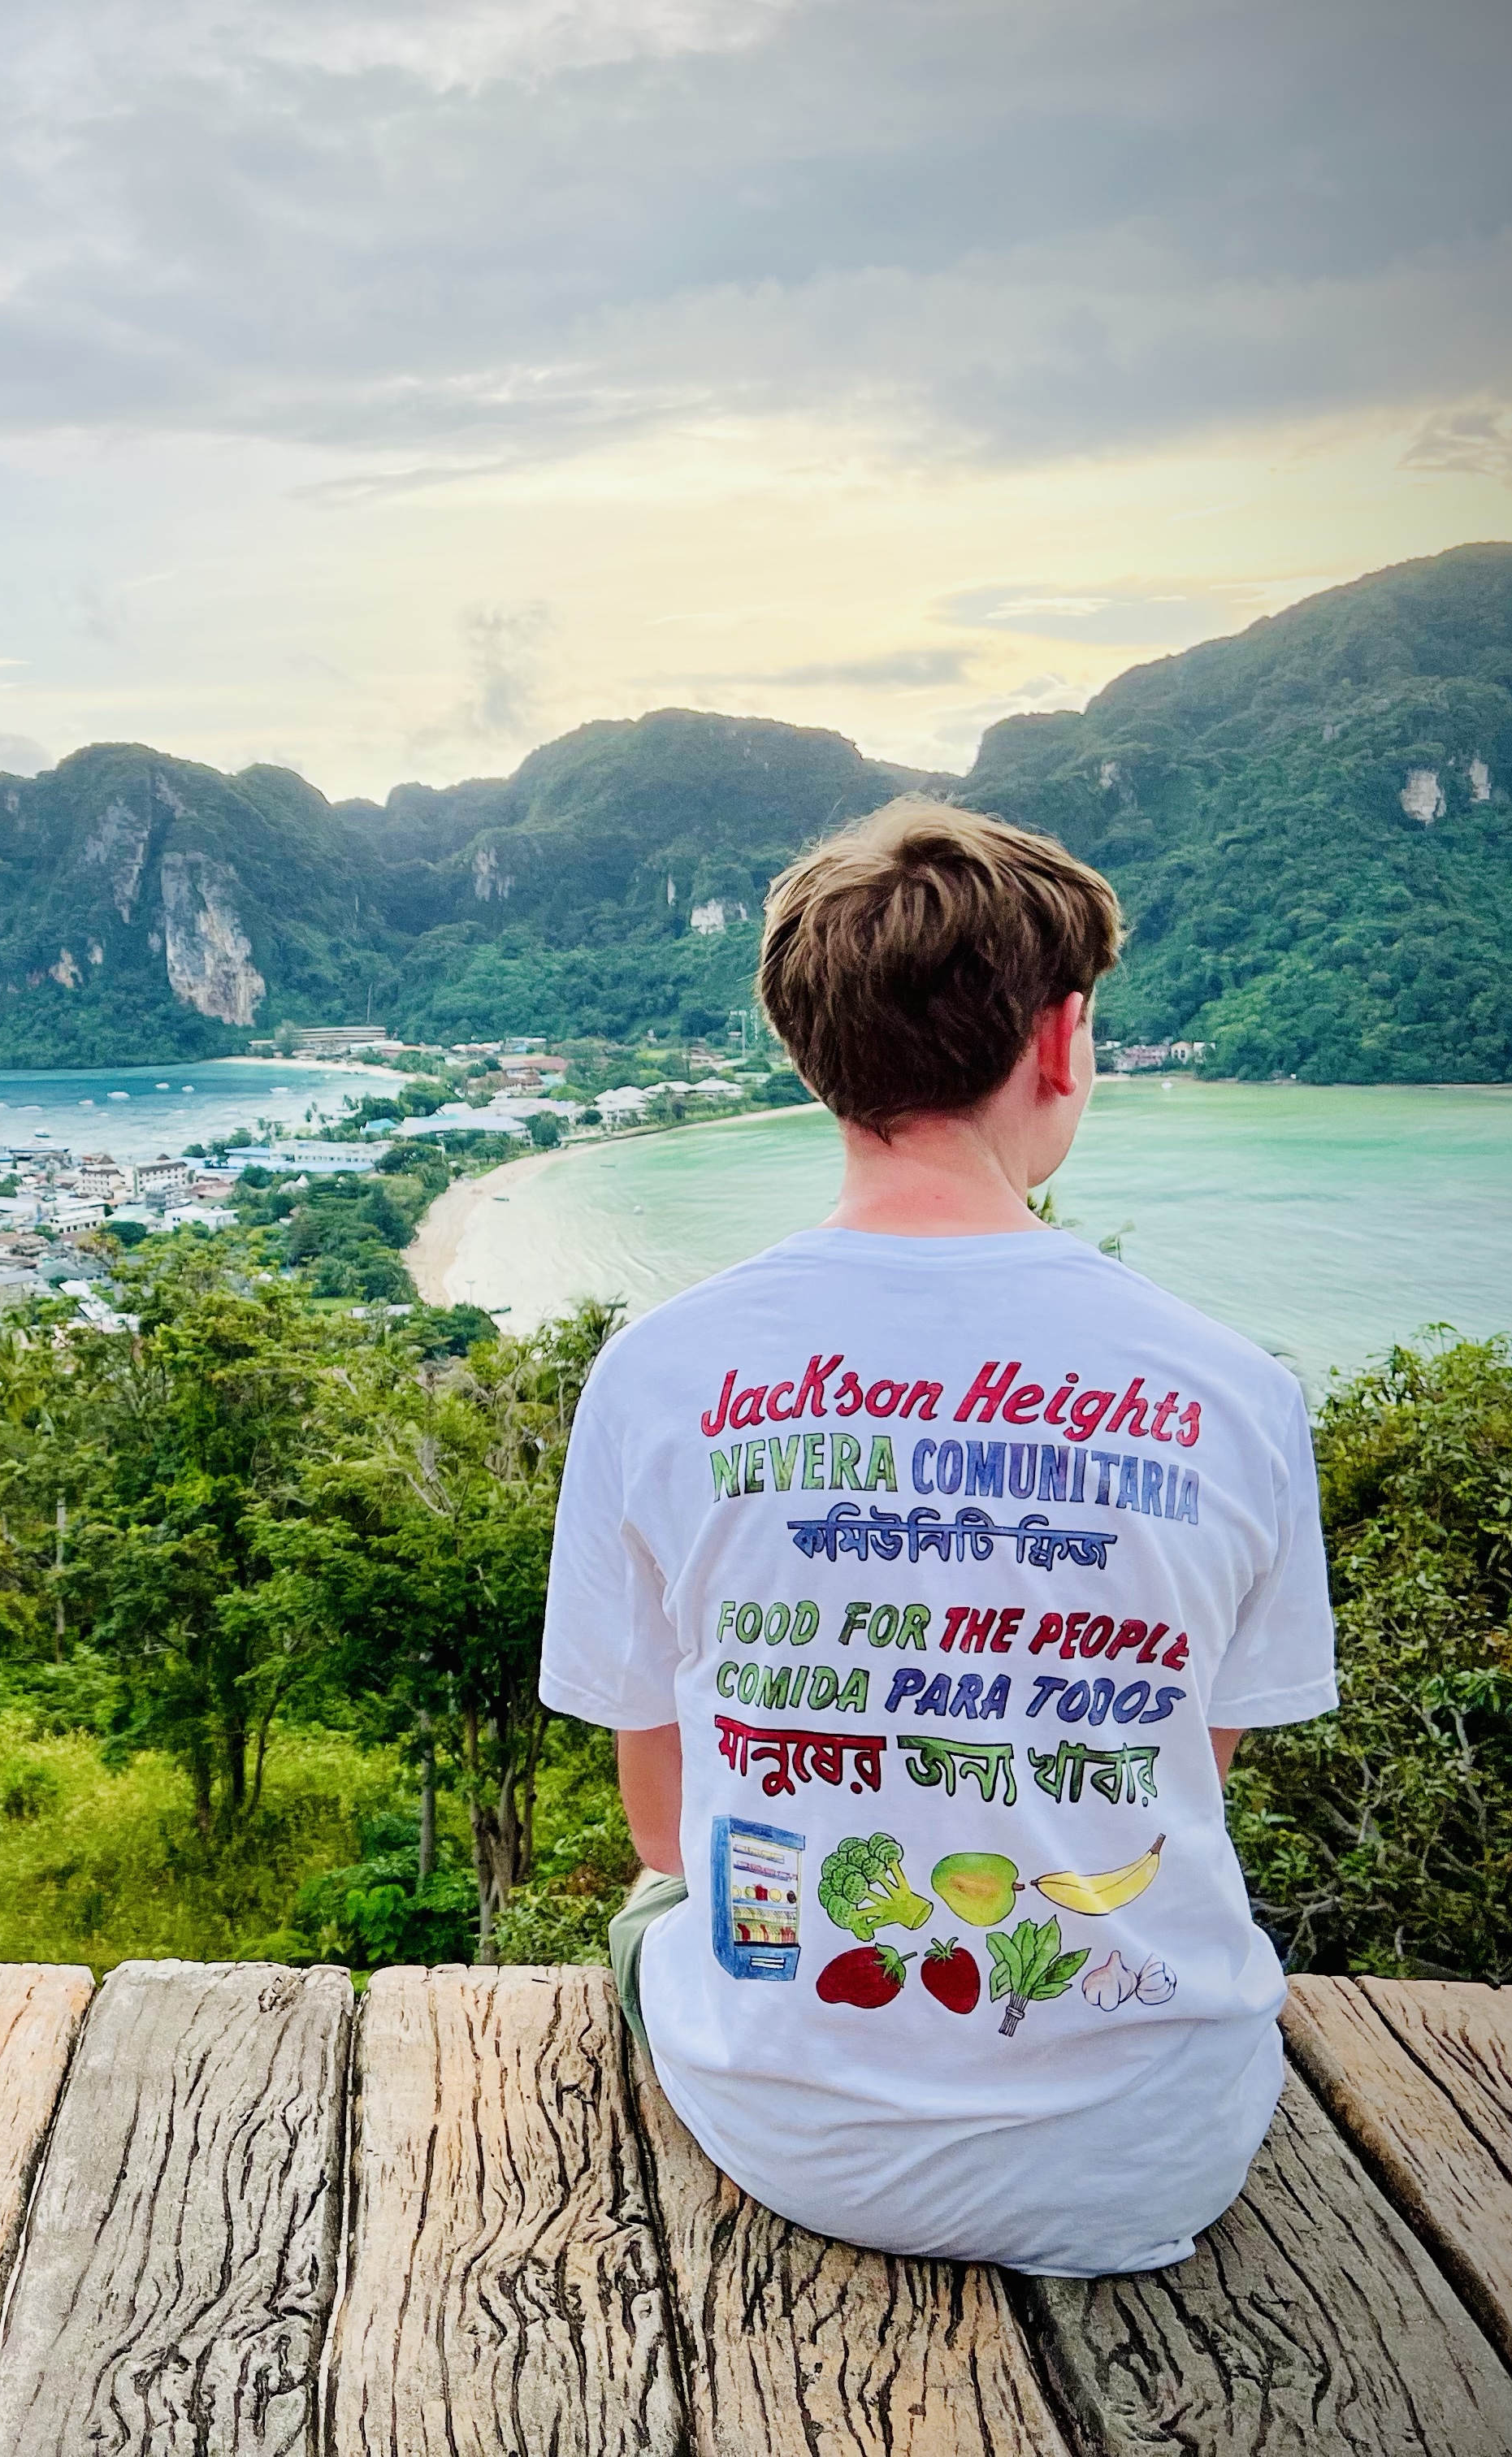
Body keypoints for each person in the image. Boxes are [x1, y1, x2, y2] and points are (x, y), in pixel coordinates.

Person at [539, 797, 1337, 2277]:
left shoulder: (659, 1373)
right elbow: (1181, 1783)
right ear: (1062, 1040)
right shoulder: (1237, 1390)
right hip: (1154, 2148)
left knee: (661, 1902)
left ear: (809, 1053)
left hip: (800, 2142)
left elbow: (665, 1828)